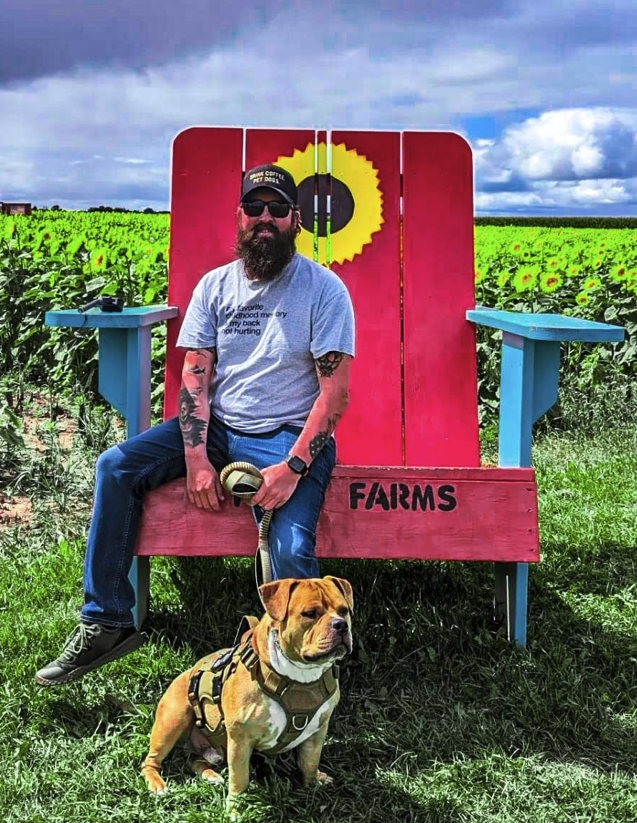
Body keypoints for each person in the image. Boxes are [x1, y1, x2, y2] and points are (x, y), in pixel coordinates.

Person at [36, 164, 355, 686]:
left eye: (278, 209)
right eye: (255, 209)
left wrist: (293, 468)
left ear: (296, 219)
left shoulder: (324, 290)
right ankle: (107, 620)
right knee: (116, 466)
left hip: (287, 435)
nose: (265, 219)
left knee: (292, 548)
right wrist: (195, 457)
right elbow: (195, 379)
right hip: (222, 428)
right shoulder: (215, 287)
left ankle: (304, 670)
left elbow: (334, 396)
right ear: (240, 218)